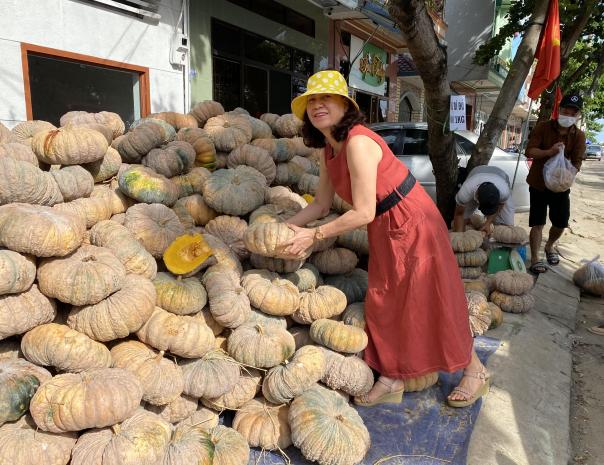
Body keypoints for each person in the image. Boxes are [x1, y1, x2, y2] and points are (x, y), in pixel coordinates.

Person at [283, 70, 489, 408]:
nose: (318, 105)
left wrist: (314, 235)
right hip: (385, 224)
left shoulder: (359, 142)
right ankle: (391, 377)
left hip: (412, 219)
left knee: (433, 296)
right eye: (312, 101)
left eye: (326, 99)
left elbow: (361, 211)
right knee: (385, 301)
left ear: (344, 106)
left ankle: (475, 370)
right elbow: (321, 203)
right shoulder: (329, 151)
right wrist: (287, 227)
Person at [525, 93, 586, 274]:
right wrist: (549, 152)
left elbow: (577, 162)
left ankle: (549, 246)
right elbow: (530, 151)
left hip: (560, 187)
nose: (569, 113)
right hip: (538, 183)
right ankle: (535, 258)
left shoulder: (579, 136)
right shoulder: (543, 128)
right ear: (560, 109)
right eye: (566, 109)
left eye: (573, 112)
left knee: (560, 222)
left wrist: (566, 175)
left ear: (577, 115)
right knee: (537, 222)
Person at [452, 165, 515, 233]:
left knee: (507, 224)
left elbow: (500, 206)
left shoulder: (504, 192)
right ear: (477, 197)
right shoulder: (465, 192)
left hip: (500, 175)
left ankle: (494, 230)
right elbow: (459, 214)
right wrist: (460, 235)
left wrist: (488, 223)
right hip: (476, 173)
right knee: (464, 219)